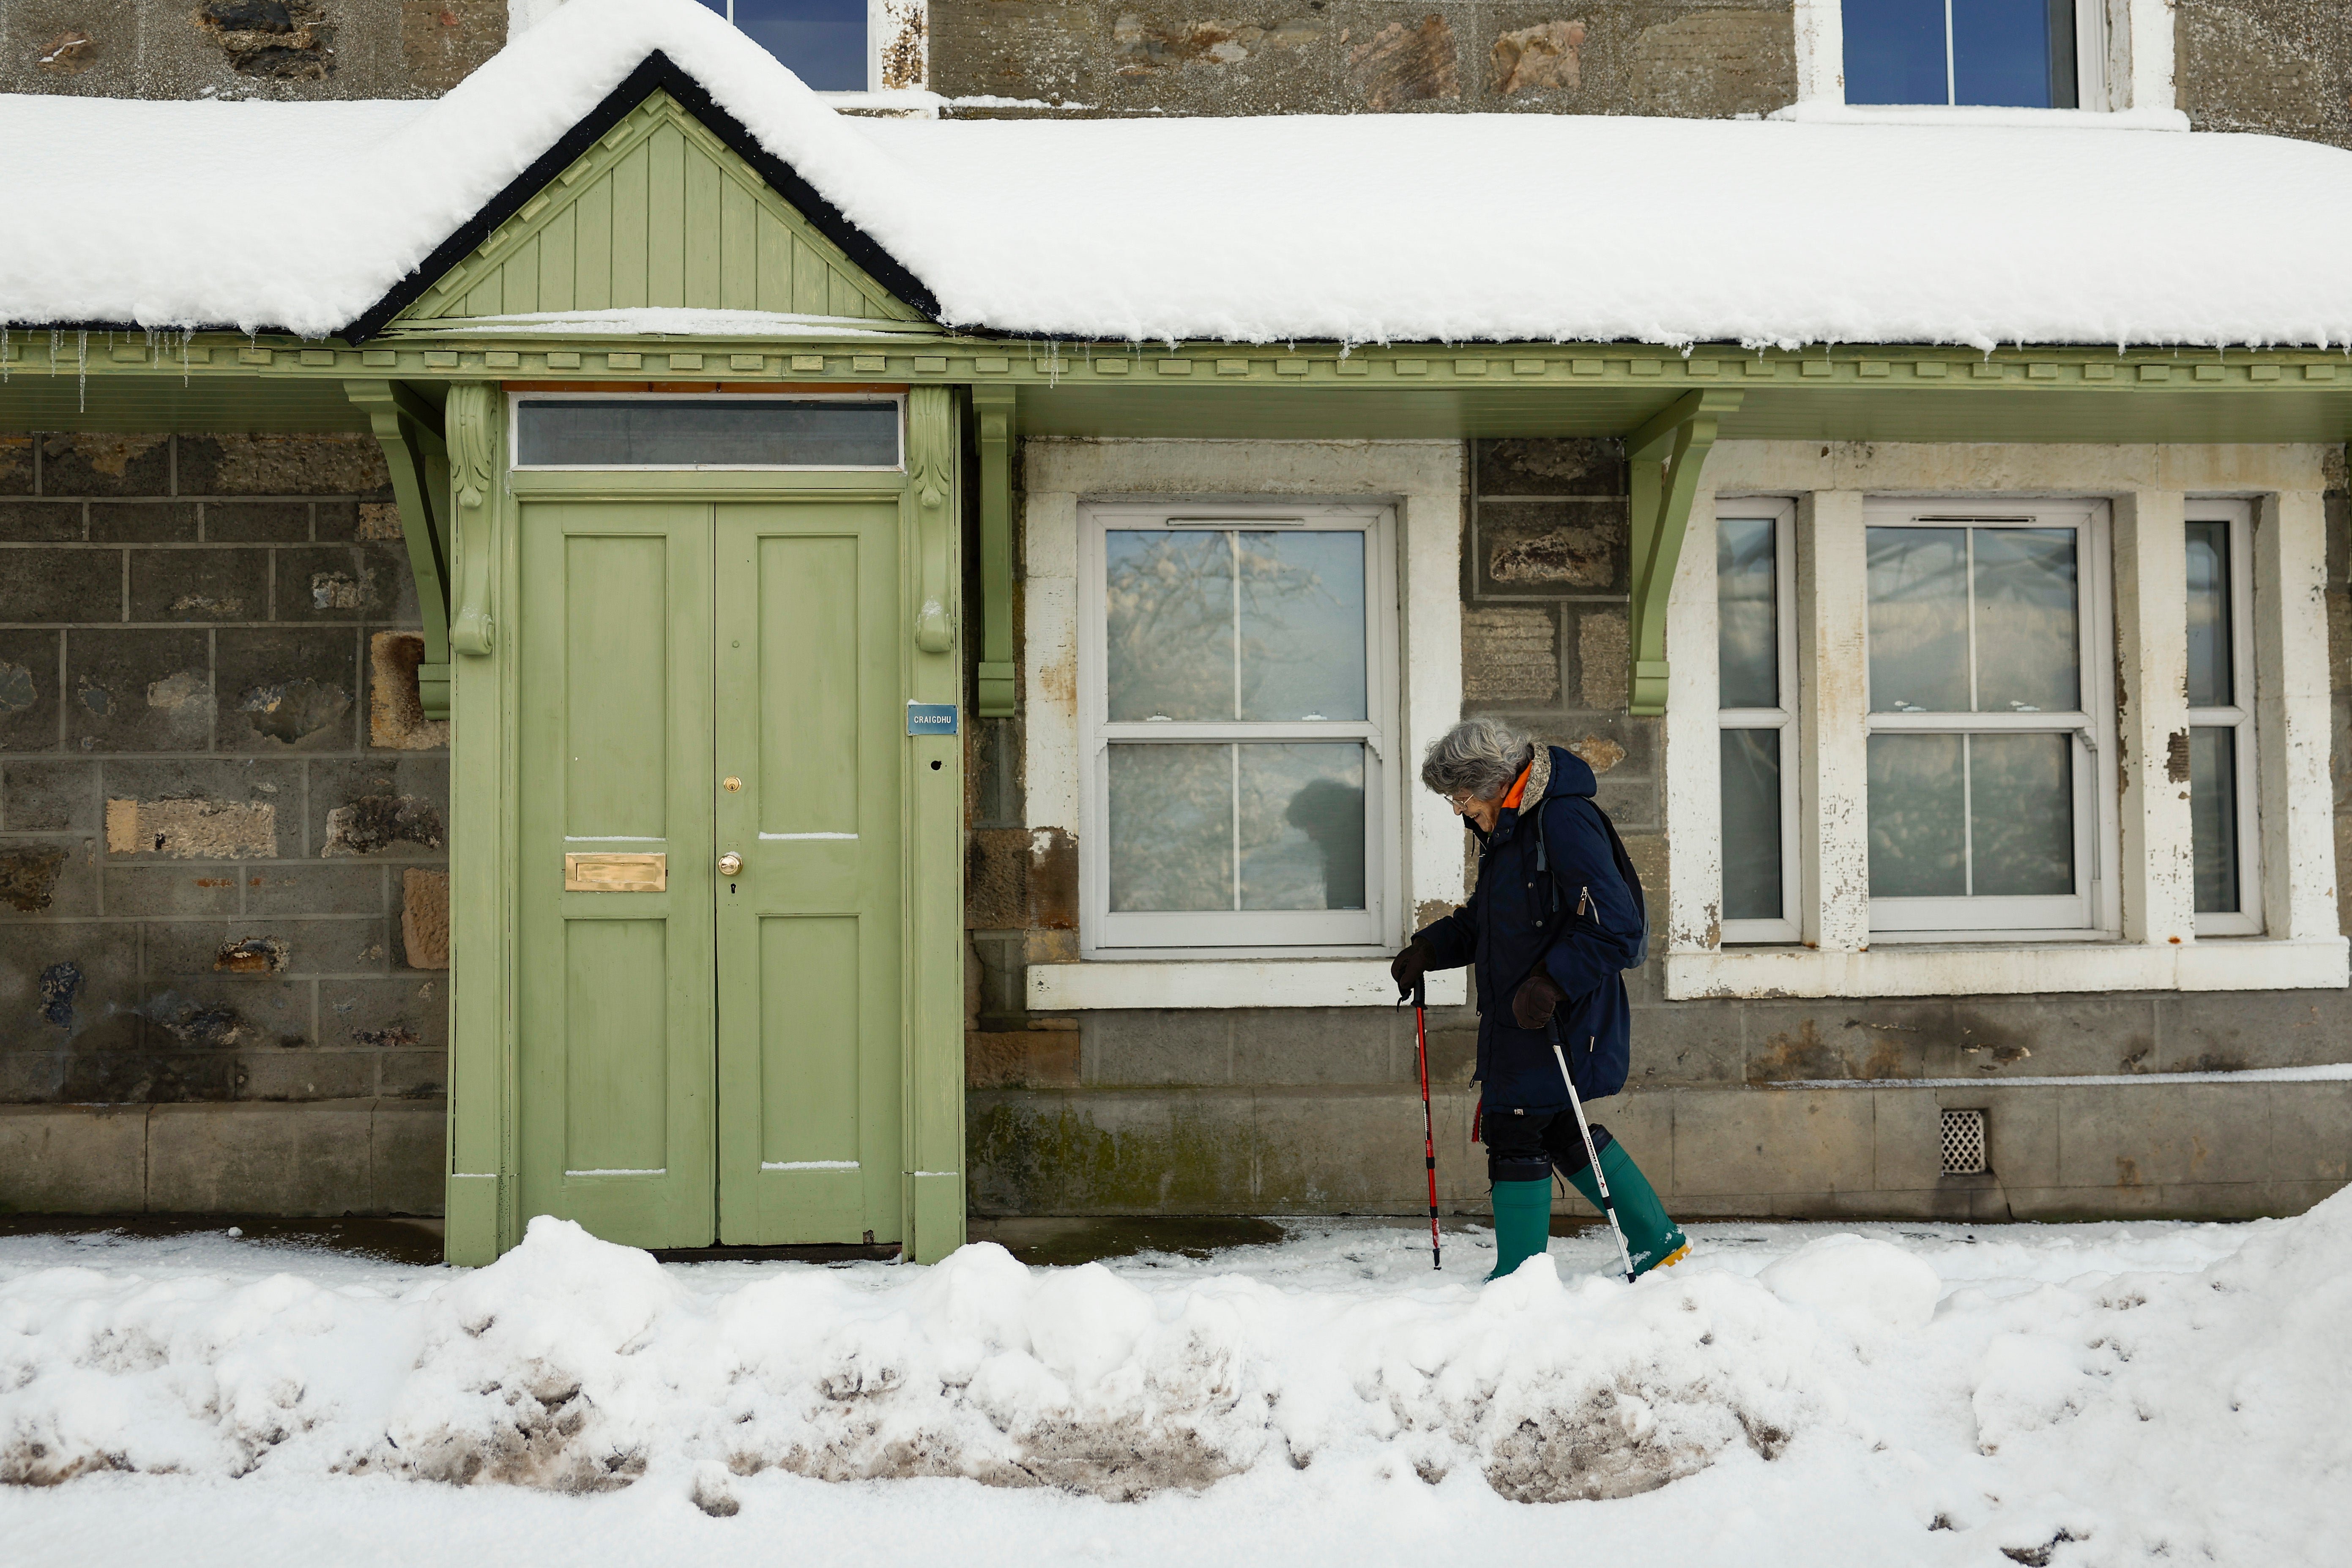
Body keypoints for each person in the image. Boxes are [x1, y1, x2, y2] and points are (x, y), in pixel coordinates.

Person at [1391, 718, 1688, 1282]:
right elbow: (1490, 924)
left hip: (1559, 1012)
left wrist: (1553, 981)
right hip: (1523, 1011)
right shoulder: (1510, 833)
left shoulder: (1562, 819)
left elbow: (1620, 924)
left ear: (1491, 781)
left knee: (1518, 1122)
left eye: (1459, 795)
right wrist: (1431, 947)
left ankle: (1519, 1277)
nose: (1458, 809)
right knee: (1550, 1125)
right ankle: (1656, 1237)